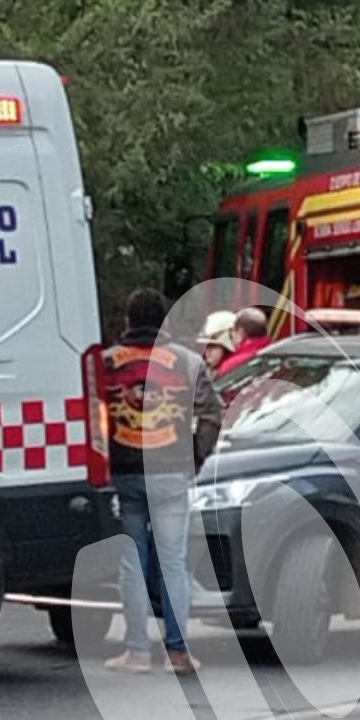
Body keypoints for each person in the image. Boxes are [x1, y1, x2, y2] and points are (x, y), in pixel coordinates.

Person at [103, 288, 224, 672]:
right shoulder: (188, 362)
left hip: (123, 472)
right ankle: (178, 652)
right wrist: (196, 455)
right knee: (173, 560)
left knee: (132, 562)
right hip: (172, 470)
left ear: (127, 320)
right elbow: (212, 413)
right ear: (163, 322)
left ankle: (137, 651)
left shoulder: (105, 364)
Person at [215, 307, 272, 377]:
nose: (231, 336)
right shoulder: (277, 353)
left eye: (232, 331)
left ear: (240, 332)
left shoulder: (230, 365)